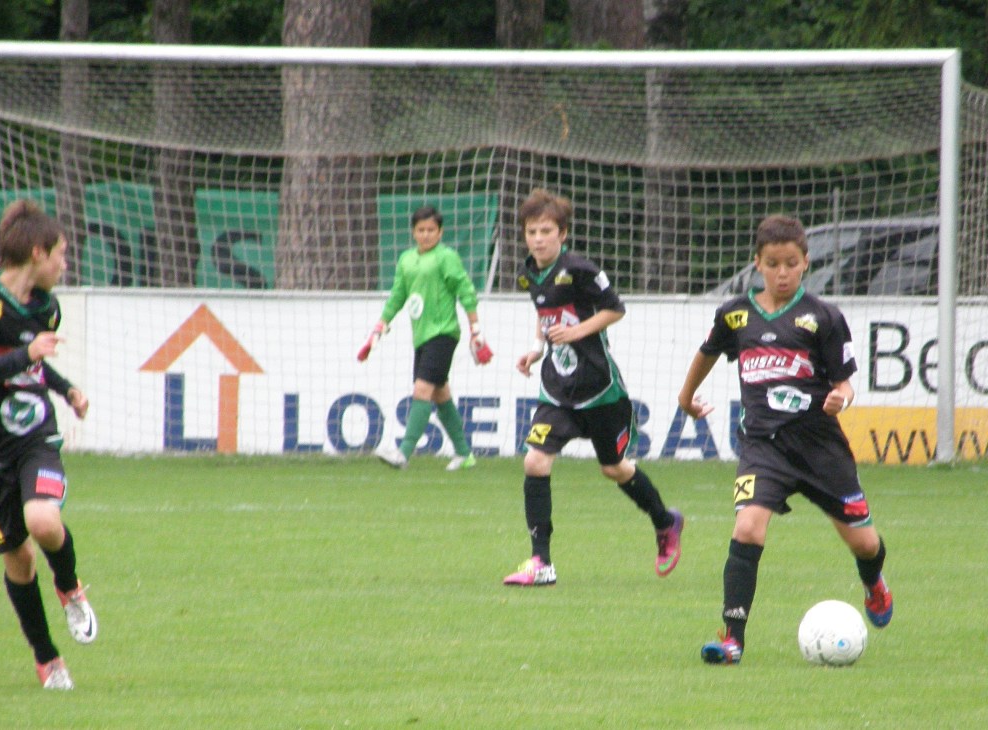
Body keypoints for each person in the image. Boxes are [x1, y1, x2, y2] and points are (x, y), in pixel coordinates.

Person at [677, 213, 892, 665]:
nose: (782, 273)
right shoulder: (735, 313)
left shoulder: (823, 317)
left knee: (865, 544)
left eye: (791, 264)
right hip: (764, 447)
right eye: (773, 264)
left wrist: (841, 398)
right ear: (757, 263)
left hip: (820, 449)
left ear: (805, 263)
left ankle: (873, 583)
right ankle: (732, 639)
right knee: (747, 527)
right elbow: (708, 351)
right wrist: (686, 396)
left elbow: (845, 382)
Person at [503, 189, 683, 587]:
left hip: (599, 388)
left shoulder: (580, 269)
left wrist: (576, 332)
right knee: (535, 461)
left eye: (546, 231)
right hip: (557, 388)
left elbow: (615, 309)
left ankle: (665, 522)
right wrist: (537, 349)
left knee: (613, 468)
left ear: (562, 233)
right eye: (531, 231)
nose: (538, 239)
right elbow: (544, 313)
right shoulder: (529, 271)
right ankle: (541, 562)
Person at [0, 200, 97, 690]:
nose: (65, 264)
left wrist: (65, 389)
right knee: (18, 561)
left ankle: (69, 587)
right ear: (37, 253)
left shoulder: (47, 307)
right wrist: (27, 353)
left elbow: (33, 364)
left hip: (33, 436)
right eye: (61, 253)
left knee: (43, 519)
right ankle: (47, 659)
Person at [358, 205, 492, 470]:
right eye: (421, 230)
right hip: (421, 336)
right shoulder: (406, 260)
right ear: (413, 232)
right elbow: (398, 295)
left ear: (440, 232)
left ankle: (403, 453)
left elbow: (465, 290)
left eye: (431, 230)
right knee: (440, 394)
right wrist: (381, 325)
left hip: (443, 333)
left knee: (422, 389)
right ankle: (464, 454)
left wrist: (475, 328)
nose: (426, 234)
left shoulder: (446, 257)